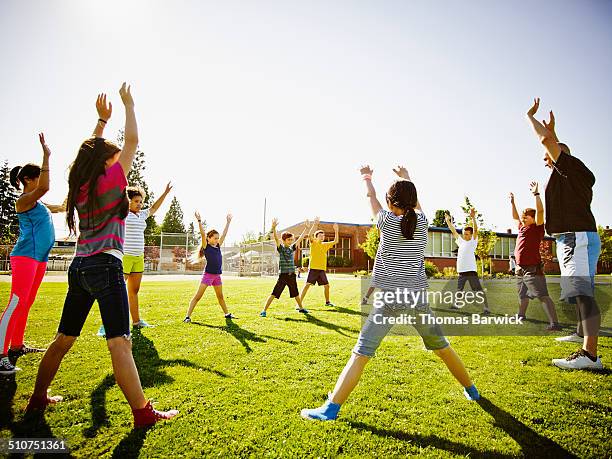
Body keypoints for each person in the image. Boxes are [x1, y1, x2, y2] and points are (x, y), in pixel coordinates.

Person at [26, 86, 178, 426]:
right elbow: (133, 143)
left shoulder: (80, 185)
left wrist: (100, 122)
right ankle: (143, 413)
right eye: (112, 156)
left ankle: (37, 398)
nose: (116, 159)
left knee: (63, 338)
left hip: (79, 267)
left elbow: (87, 153)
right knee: (120, 344)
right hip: (106, 267)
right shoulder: (110, 182)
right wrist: (129, 106)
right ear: (105, 163)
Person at [300, 165, 480, 421]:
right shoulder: (424, 222)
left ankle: (330, 409)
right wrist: (406, 178)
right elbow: (415, 204)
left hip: (391, 298)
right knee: (442, 347)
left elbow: (370, 198)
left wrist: (367, 177)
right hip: (417, 297)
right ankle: (472, 391)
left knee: (361, 353)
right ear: (412, 201)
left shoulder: (386, 221)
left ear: (390, 202)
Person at [527, 98, 602, 370]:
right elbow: (556, 147)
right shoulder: (574, 171)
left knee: (583, 293)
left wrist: (529, 117)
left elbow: (548, 143)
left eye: (549, 159)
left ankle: (590, 355)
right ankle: (582, 336)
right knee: (584, 290)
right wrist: (554, 134)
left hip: (575, 237)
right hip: (581, 236)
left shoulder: (568, 167)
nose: (546, 162)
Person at [0, 134, 66, 374]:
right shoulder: (24, 200)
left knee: (26, 304)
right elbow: (46, 187)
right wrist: (47, 156)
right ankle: (1, 354)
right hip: (25, 257)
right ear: (28, 179)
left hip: (38, 260)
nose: (42, 181)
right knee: (15, 304)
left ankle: (16, 345)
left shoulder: (38, 204)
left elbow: (59, 206)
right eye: (38, 177)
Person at [96, 182, 172, 337]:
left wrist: (165, 193)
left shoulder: (142, 214)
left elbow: (154, 208)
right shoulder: (122, 213)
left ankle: (136, 322)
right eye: (136, 201)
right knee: (115, 292)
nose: (139, 204)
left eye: (140, 201)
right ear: (128, 200)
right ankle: (105, 325)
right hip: (124, 257)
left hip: (138, 257)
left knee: (134, 291)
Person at [509, 183, 561, 331]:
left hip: (532, 268)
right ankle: (521, 315)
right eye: (523, 217)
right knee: (522, 294)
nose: (523, 219)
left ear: (533, 218)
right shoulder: (521, 227)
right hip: (520, 268)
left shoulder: (537, 228)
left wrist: (536, 194)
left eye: (526, 217)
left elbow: (540, 210)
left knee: (542, 295)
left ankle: (554, 323)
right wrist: (513, 202)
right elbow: (515, 217)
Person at [184, 212, 235, 322]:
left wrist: (228, 222)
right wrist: (199, 221)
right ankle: (187, 316)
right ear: (209, 238)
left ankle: (227, 314)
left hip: (217, 276)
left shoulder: (218, 246)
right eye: (215, 238)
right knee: (198, 296)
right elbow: (203, 234)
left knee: (220, 297)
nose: (217, 240)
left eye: (217, 238)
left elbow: (224, 235)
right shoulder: (206, 246)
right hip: (208, 275)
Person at [260, 219, 310, 317]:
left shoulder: (292, 248)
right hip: (283, 276)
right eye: (289, 239)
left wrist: (306, 228)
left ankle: (301, 308)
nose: (291, 241)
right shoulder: (281, 248)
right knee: (274, 293)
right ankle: (264, 311)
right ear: (284, 240)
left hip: (292, 276)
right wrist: (273, 228)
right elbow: (276, 238)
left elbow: (300, 238)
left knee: (296, 293)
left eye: (292, 239)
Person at [445, 210, 491, 314]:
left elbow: (475, 231)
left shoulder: (473, 242)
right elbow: (453, 231)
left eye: (466, 234)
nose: (464, 235)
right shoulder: (461, 242)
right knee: (459, 290)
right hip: (461, 271)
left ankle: (486, 308)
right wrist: (448, 221)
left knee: (478, 290)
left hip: (471, 271)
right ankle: (456, 305)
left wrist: (473, 218)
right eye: (463, 234)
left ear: (470, 235)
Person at [300, 218, 339, 308]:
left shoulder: (325, 244)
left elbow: (336, 241)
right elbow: (309, 235)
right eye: (320, 236)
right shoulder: (313, 242)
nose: (322, 237)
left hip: (321, 269)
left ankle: (327, 302)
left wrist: (336, 230)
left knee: (327, 285)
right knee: (307, 285)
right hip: (313, 268)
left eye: (323, 236)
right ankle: (299, 303)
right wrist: (314, 224)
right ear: (316, 236)